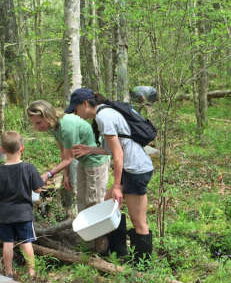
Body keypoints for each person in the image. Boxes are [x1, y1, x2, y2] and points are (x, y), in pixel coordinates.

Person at [69, 88, 154, 263]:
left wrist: (116, 186)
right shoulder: (105, 113)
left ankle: (143, 265)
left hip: (135, 170)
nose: (76, 114)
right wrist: (91, 149)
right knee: (109, 205)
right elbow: (116, 146)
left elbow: (118, 154)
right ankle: (118, 253)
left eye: (75, 109)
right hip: (131, 169)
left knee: (139, 221)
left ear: (85, 104)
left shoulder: (103, 116)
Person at [26, 100, 110, 251]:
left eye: (39, 123)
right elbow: (63, 152)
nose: (37, 127)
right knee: (82, 202)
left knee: (94, 201)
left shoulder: (67, 126)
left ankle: (101, 246)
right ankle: (88, 243)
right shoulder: (54, 127)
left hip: (96, 162)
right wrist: (66, 175)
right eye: (35, 124)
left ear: (48, 115)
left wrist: (48, 174)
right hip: (83, 161)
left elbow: (69, 159)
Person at [0, 131, 44, 278]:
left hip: (6, 214)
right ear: (22, 148)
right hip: (24, 213)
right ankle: (31, 272)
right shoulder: (29, 168)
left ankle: (8, 272)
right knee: (26, 242)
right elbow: (38, 189)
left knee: (7, 242)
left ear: (2, 149)